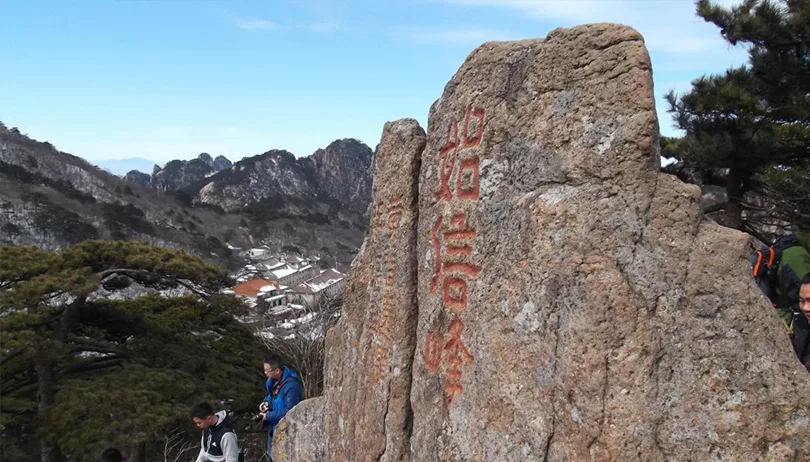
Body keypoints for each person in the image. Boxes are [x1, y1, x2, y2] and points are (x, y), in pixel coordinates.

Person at [260, 355, 303, 461]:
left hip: (286, 430)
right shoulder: (272, 382)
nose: (265, 373)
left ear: (277, 370)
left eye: (267, 371)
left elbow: (290, 411)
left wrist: (268, 416)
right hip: (273, 428)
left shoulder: (292, 386)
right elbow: (271, 396)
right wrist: (265, 402)